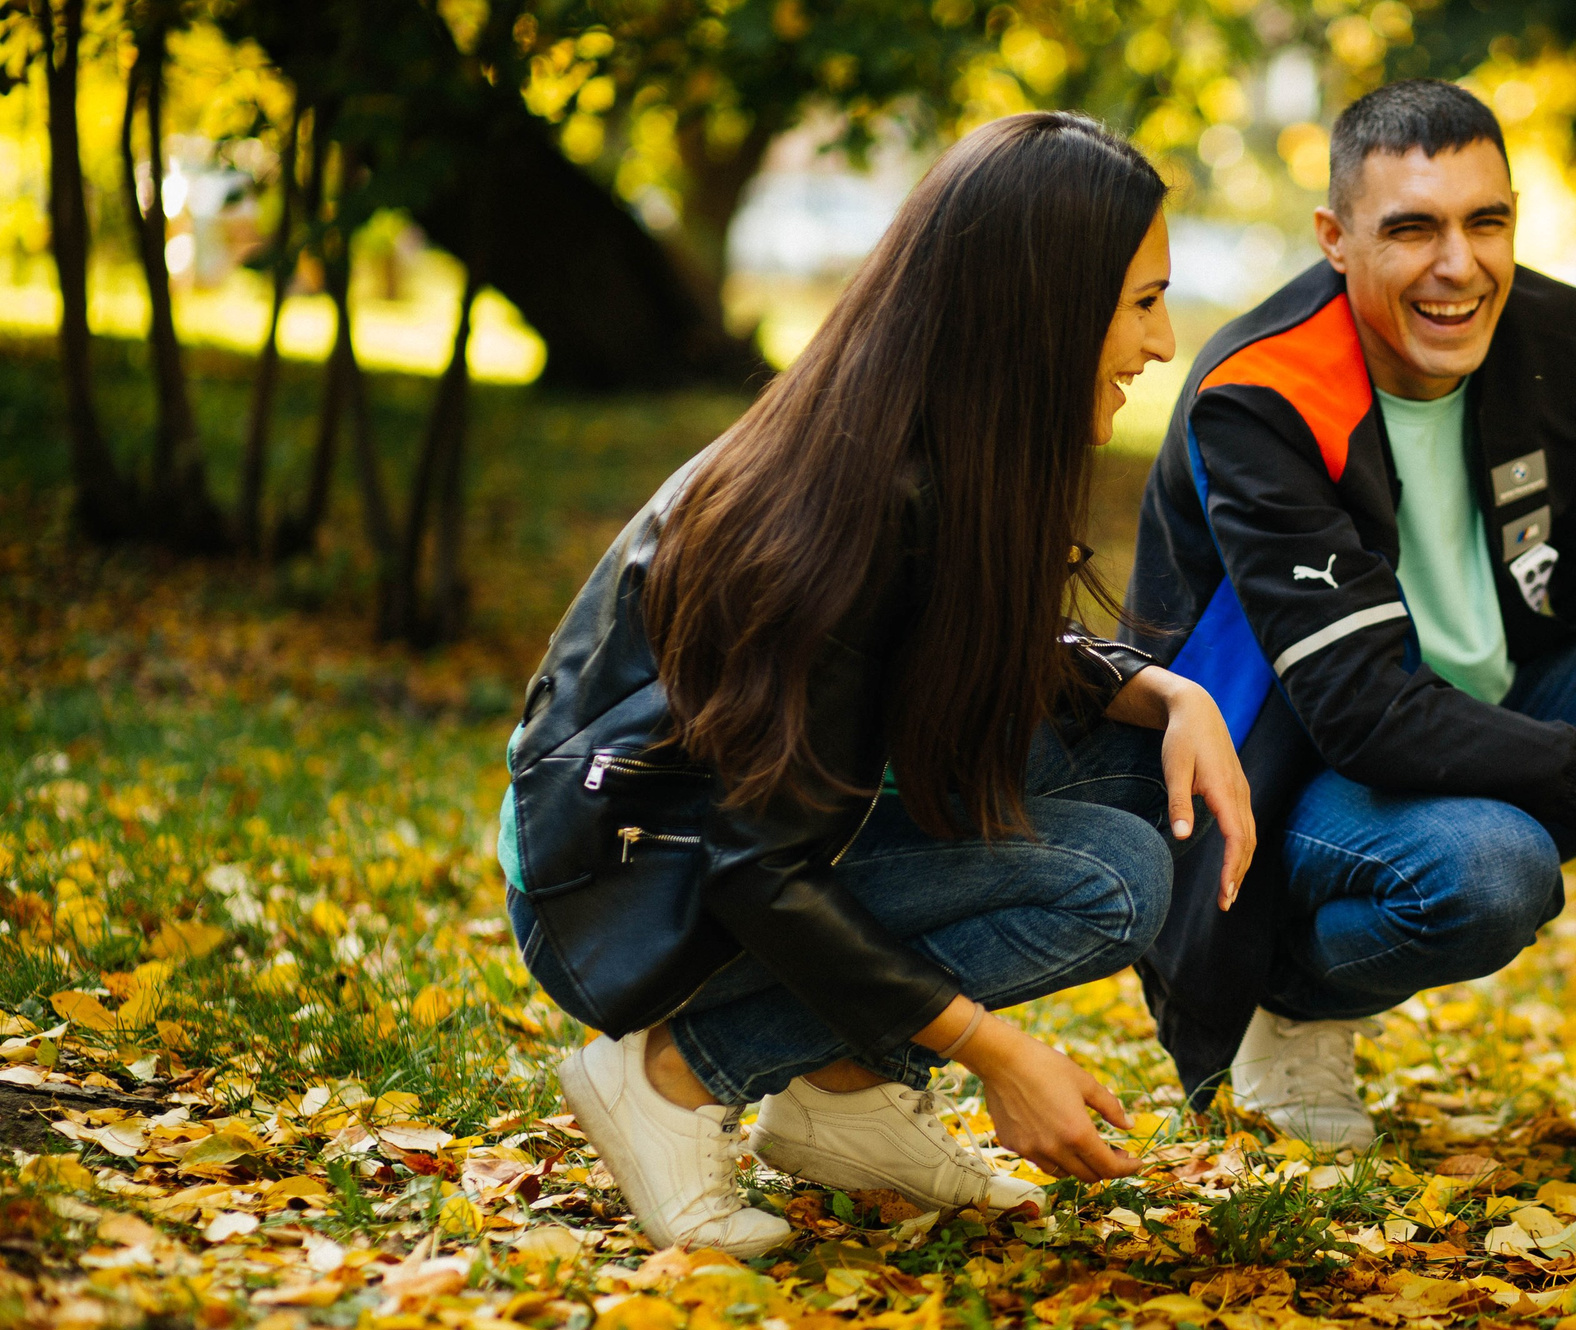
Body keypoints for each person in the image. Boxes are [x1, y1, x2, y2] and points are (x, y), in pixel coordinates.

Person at [499, 113, 1255, 1258]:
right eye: (1142, 301)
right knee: (1112, 880)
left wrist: (1174, 696)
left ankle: (846, 1101)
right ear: (1041, 306)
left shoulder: (932, 449)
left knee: (1141, 768)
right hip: (620, 895)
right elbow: (759, 866)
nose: (1162, 341)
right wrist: (996, 1054)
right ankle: (667, 1083)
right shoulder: (848, 512)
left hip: (718, 853)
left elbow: (986, 650)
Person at [1122, 78, 1576, 1192]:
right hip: (1281, 771)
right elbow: (1360, 710)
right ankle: (1284, 1005)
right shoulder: (1255, 398)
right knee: (1494, 871)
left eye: (1484, 222)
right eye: (1412, 228)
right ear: (1336, 240)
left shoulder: (1557, 332)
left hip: (1496, 710)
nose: (1460, 266)